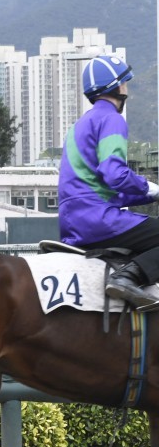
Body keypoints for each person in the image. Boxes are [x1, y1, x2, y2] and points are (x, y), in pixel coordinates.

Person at [58, 54, 159, 310]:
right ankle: (127, 277)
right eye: (125, 83)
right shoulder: (112, 119)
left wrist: (150, 195)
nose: (127, 89)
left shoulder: (80, 125)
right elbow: (114, 173)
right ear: (117, 86)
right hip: (99, 221)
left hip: (72, 223)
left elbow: (104, 189)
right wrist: (149, 186)